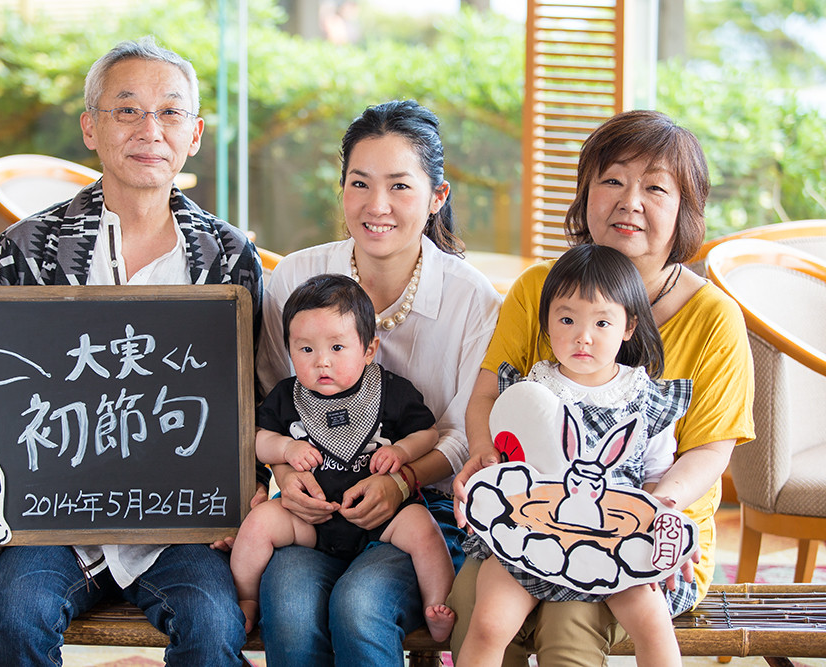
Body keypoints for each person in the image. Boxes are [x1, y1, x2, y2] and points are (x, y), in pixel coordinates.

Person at [0, 36, 265, 667]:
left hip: (178, 525)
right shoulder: (30, 248)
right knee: (17, 615)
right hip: (53, 521)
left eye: (170, 112)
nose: (150, 130)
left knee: (214, 625)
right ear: (90, 128)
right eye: (126, 110)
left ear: (193, 135)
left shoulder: (228, 257)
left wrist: (247, 493)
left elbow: (256, 397)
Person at [449, 109, 755, 666]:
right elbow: (489, 395)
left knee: (568, 623)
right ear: (585, 194)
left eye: (655, 188)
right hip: (532, 513)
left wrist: (655, 511)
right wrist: (483, 455)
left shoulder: (714, 317)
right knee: (477, 608)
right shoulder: (539, 287)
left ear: (685, 209)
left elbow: (712, 449)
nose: (629, 201)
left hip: (644, 530)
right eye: (612, 180)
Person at [255, 99, 502, 665]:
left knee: (360, 604)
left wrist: (402, 480)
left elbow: (466, 432)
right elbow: (271, 397)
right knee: (289, 604)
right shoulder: (294, 277)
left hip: (426, 509)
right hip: (313, 504)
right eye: (360, 184)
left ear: (437, 196)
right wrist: (286, 472)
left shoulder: (473, 300)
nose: (377, 206)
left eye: (400, 186)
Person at [455, 244, 692, 667]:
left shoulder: (645, 398)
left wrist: (662, 520)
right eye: (567, 319)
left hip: (612, 541)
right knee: (489, 624)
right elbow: (510, 463)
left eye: (602, 322)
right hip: (533, 532)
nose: (583, 336)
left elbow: (657, 474)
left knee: (654, 623)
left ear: (629, 326)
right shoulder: (530, 392)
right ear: (547, 323)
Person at [231, 273, 455, 640]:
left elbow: (428, 433)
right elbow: (256, 440)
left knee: (424, 529)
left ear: (369, 350)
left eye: (337, 348)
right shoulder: (288, 397)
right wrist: (285, 448)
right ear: (289, 350)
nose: (322, 362)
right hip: (311, 519)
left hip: (384, 519)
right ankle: (247, 597)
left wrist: (401, 451)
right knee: (258, 524)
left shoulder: (391, 392)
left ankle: (437, 603)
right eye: (306, 350)